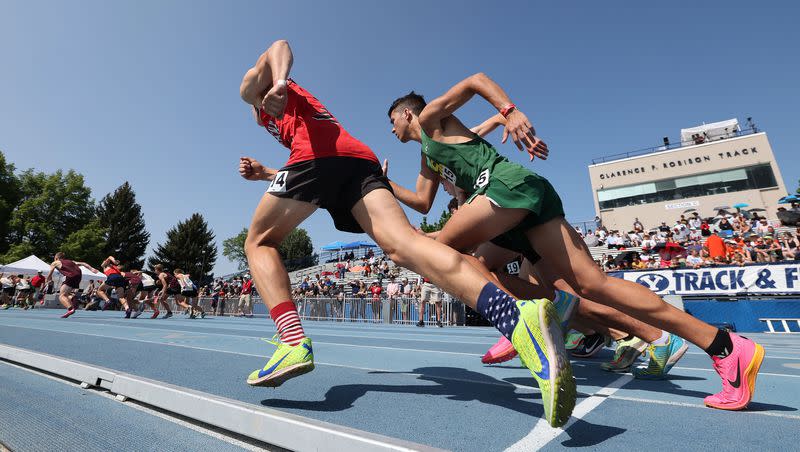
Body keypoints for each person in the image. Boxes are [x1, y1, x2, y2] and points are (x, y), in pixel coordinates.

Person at [238, 40, 573, 426]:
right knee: (405, 246)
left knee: (259, 242)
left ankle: (292, 342)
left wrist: (277, 81)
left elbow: (278, 46)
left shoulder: (254, 90)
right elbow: (310, 167)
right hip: (356, 161)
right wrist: (266, 173)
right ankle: (517, 319)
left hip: (322, 160)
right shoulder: (278, 116)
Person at [386, 73, 764, 411]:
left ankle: (520, 321)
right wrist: (383, 185)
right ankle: (725, 346)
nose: (391, 132)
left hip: (504, 187)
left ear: (406, 115)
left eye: (391, 123)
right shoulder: (428, 158)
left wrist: (511, 111)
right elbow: (422, 202)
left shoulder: (432, 117)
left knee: (444, 254)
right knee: (591, 285)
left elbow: (475, 80)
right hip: (516, 205)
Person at [46, 252, 100, 318]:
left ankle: (70, 309)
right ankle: (73, 298)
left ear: (56, 258)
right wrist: (91, 269)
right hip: (78, 276)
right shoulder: (71, 261)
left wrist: (47, 280)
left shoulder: (55, 262)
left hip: (70, 276)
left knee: (61, 296)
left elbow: (50, 272)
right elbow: (83, 263)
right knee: (66, 294)